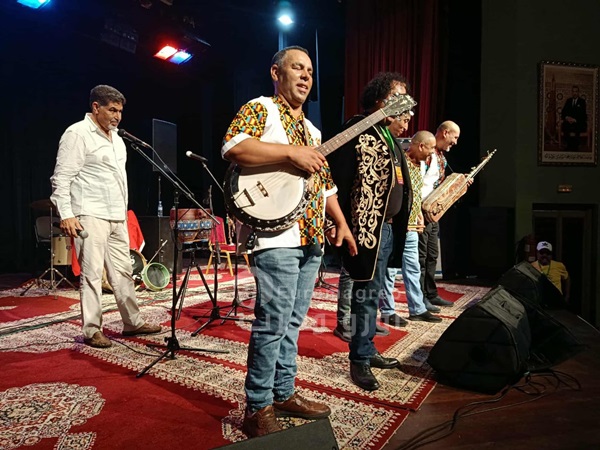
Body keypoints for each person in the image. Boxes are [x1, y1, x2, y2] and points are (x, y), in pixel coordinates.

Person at [221, 46, 357, 438]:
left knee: (293, 321)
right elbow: (233, 147)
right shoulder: (260, 108)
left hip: (311, 236)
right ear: (276, 73)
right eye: (297, 68)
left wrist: (341, 223)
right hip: (274, 235)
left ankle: (283, 392)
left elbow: (326, 185)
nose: (305, 76)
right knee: (273, 321)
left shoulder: (313, 132)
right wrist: (290, 153)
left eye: (310, 71)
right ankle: (257, 405)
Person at [50, 85, 162, 349]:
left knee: (124, 271)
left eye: (120, 111)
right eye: (112, 110)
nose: (117, 116)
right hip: (90, 212)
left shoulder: (118, 139)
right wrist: (67, 214)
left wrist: (123, 212)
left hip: (116, 215)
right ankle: (92, 330)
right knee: (91, 273)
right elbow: (61, 178)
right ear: (96, 107)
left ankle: (132, 322)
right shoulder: (77, 134)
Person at [328, 72, 414, 391]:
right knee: (364, 293)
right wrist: (339, 224)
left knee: (373, 293)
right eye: (397, 98)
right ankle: (359, 359)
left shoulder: (387, 135)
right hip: (365, 230)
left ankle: (367, 348)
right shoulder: (357, 129)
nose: (405, 107)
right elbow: (337, 179)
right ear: (379, 101)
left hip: (386, 230)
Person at [391, 131, 443, 325]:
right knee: (390, 271)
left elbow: (415, 192)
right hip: (398, 226)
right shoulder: (400, 162)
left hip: (412, 225)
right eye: (430, 148)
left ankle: (417, 309)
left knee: (413, 268)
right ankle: (388, 311)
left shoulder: (419, 164)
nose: (432, 153)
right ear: (421, 146)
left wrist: (418, 213)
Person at [418, 121, 462, 308]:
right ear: (445, 133)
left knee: (432, 255)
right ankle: (420, 297)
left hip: (433, 214)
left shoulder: (441, 158)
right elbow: (418, 181)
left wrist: (459, 185)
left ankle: (431, 293)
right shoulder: (428, 155)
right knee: (421, 256)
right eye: (455, 137)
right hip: (421, 212)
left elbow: (440, 186)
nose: (455, 142)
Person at [561, 85, 587, 151]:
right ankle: (568, 145)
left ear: (578, 92)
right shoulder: (568, 100)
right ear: (572, 92)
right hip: (569, 122)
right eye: (573, 91)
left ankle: (575, 146)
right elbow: (563, 112)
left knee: (577, 126)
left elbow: (583, 115)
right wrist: (567, 118)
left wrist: (575, 120)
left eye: (576, 91)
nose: (574, 93)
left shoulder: (582, 101)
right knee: (565, 125)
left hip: (577, 121)